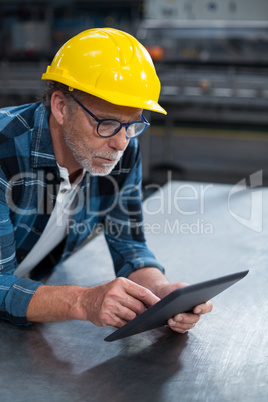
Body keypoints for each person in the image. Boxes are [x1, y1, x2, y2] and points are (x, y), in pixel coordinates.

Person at [0, 28, 212, 332]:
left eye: (132, 124)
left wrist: (162, 293)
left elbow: (128, 244)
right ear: (60, 107)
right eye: (107, 123)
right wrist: (83, 302)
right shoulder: (5, 149)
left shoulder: (122, 149)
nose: (121, 142)